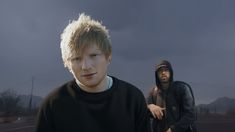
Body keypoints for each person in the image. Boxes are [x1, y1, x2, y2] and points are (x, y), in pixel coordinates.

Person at [35, 13, 150, 132]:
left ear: (108, 55)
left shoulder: (132, 99)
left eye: (93, 55)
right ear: (67, 63)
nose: (86, 66)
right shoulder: (53, 105)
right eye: (77, 58)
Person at [146, 60, 196, 132]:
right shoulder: (153, 92)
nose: (163, 73)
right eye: (160, 71)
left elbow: (191, 114)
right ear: (156, 74)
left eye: (166, 70)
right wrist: (150, 106)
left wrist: (173, 129)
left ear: (170, 72)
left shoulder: (182, 88)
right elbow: (142, 109)